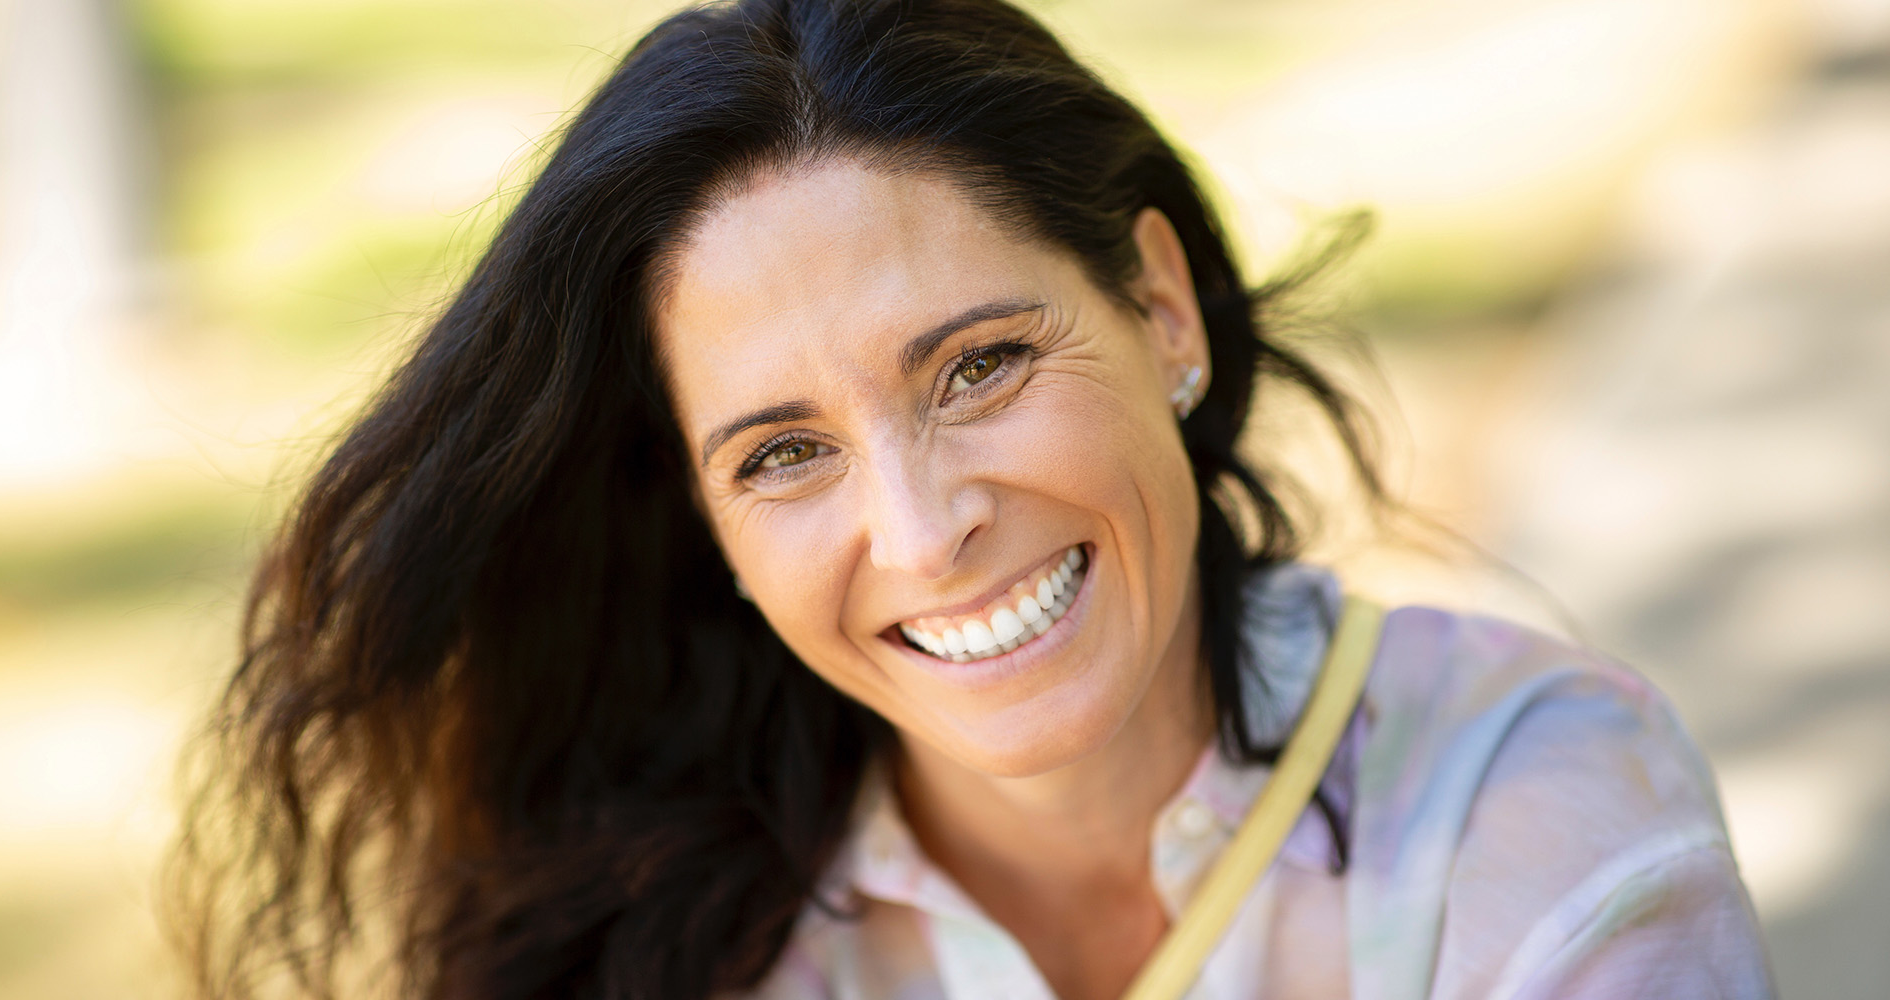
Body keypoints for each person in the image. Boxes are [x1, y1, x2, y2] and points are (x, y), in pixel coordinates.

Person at [166, 1, 1774, 997]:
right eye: (783, 453)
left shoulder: (1547, 815)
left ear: (1159, 308)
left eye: (979, 367)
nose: (926, 531)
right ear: (709, 526)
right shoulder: (687, 932)